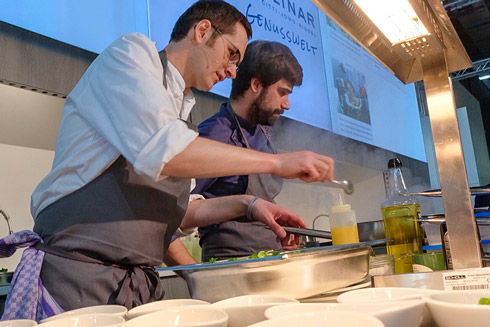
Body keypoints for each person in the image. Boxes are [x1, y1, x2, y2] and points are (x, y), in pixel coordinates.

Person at [0, 0, 334, 321]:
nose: (234, 71)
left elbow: (184, 212)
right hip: (79, 281)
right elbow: (164, 151)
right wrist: (275, 163)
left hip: (137, 287)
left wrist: (250, 204)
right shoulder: (131, 54)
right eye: (232, 54)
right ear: (202, 31)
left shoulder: (181, 113)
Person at [192, 40, 305, 261]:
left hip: (271, 259)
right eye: (282, 92)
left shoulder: (265, 130)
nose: (287, 104)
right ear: (255, 84)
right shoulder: (214, 135)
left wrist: (277, 229)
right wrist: (193, 272)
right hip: (230, 269)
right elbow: (171, 214)